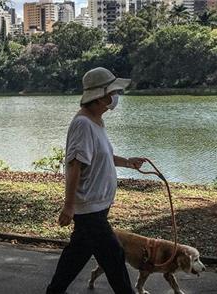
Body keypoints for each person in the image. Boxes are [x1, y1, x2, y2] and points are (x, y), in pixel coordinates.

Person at [46, 67, 146, 294]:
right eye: (112, 91)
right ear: (100, 96)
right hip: (89, 208)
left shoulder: (96, 121)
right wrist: (69, 206)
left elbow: (101, 157)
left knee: (75, 256)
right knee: (114, 255)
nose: (116, 96)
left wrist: (128, 162)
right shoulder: (83, 124)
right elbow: (75, 165)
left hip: (97, 207)